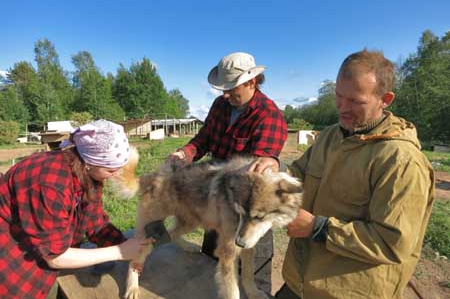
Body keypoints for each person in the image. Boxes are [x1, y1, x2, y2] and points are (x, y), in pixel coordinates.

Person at [268, 49, 435, 299]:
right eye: (338, 96)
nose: (343, 108)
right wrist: (272, 173)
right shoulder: (331, 136)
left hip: (348, 293)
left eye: (356, 101)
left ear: (385, 99)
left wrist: (317, 227)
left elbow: (393, 243)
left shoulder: (401, 161)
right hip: (298, 283)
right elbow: (298, 174)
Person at [169, 51, 288, 293]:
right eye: (223, 88)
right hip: (217, 198)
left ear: (251, 82)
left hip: (248, 208)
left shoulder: (269, 116)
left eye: (232, 89)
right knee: (213, 261)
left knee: (252, 273)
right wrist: (186, 154)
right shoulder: (221, 105)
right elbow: (203, 139)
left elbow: (254, 177)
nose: (225, 94)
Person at [0, 119, 152, 299]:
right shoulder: (50, 183)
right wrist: (119, 252)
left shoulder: (89, 175)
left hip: (46, 254)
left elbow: (95, 222)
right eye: (111, 171)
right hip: (12, 266)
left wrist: (126, 246)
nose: (115, 175)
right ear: (91, 162)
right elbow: (54, 256)